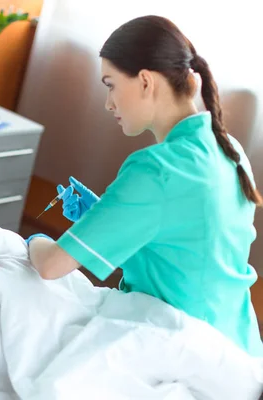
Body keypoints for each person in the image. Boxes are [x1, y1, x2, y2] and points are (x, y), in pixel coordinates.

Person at [27, 15, 263, 356]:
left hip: (185, 350)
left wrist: (33, 241)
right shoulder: (230, 150)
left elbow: (50, 266)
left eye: (110, 84)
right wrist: (103, 221)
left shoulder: (156, 169)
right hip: (238, 346)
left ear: (145, 82)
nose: (108, 103)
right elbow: (185, 257)